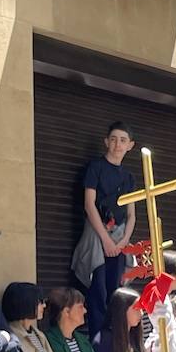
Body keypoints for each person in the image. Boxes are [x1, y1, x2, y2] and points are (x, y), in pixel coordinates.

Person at [70, 122, 140, 337]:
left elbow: (131, 214)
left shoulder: (129, 178)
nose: (117, 144)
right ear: (106, 141)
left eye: (122, 140)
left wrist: (122, 242)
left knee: (117, 292)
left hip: (119, 239)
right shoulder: (95, 168)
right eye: (113, 139)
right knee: (97, 290)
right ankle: (98, 342)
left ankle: (117, 340)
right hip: (96, 235)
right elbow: (89, 204)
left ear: (130, 145)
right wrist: (105, 240)